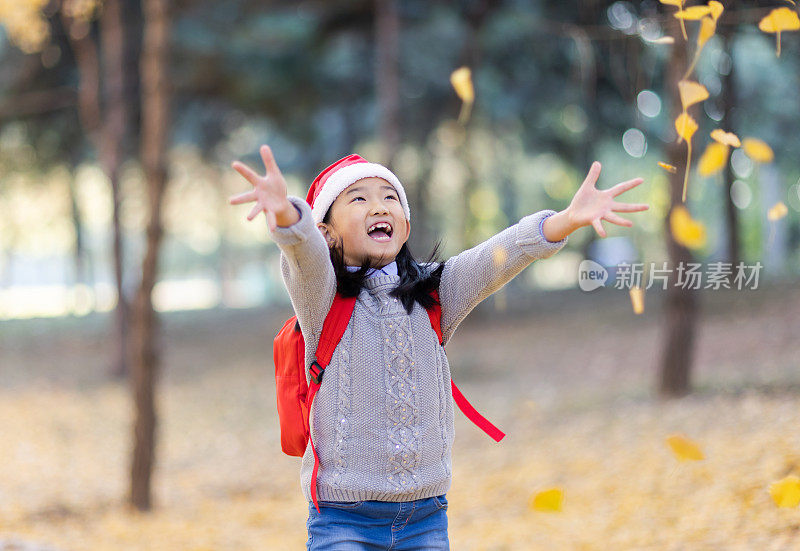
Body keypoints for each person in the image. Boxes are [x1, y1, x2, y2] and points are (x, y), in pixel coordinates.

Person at [230, 145, 648, 550]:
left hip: (425, 518)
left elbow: (496, 258)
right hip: (344, 518)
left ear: (405, 226)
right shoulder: (321, 299)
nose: (379, 207)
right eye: (358, 199)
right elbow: (304, 256)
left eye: (390, 197)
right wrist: (287, 215)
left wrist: (566, 221)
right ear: (327, 232)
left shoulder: (434, 291)